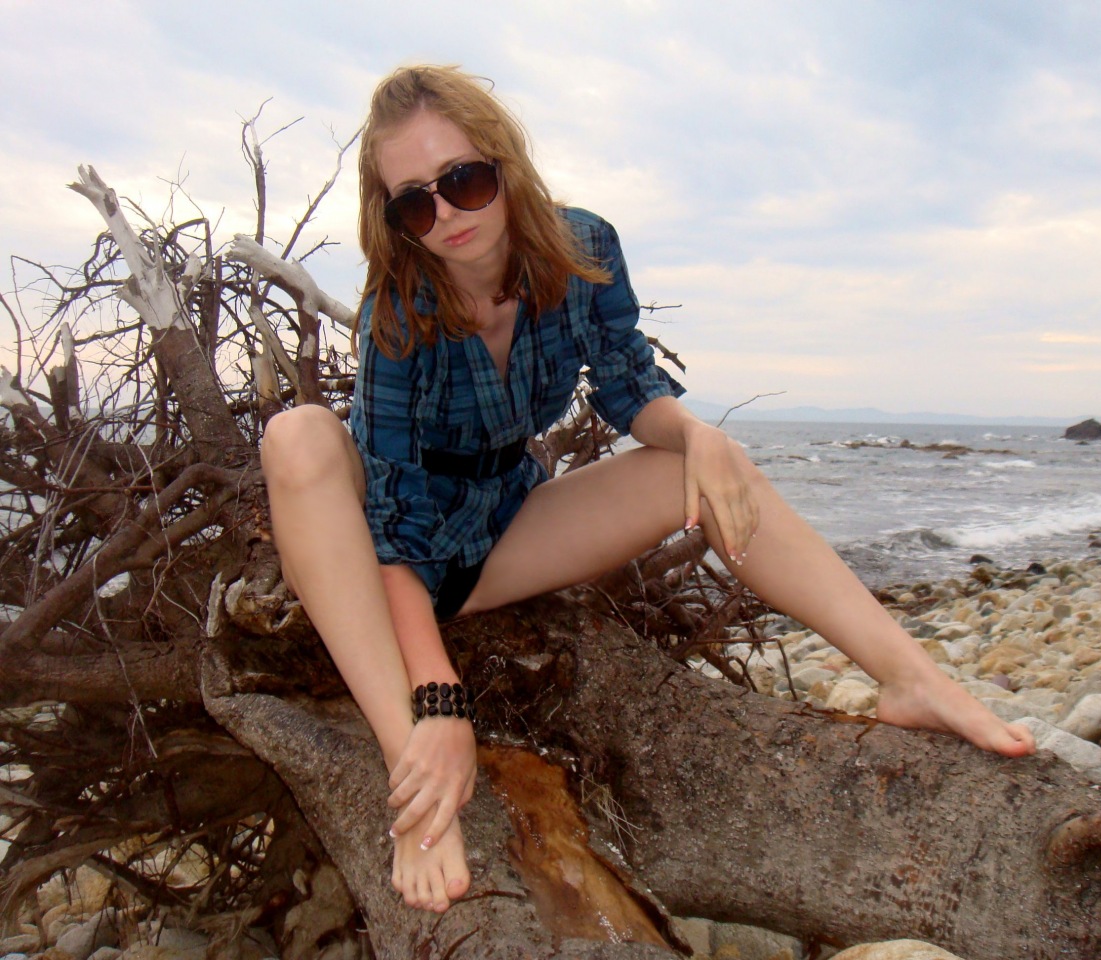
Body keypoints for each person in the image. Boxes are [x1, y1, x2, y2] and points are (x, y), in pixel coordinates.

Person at [260, 64, 1035, 915]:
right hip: (376, 567)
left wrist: (700, 437)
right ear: (392, 218)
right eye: (415, 202)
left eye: (464, 180)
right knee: (298, 436)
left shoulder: (582, 249)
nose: (446, 214)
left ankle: (909, 677)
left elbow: (631, 392)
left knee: (698, 464)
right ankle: (412, 775)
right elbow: (392, 534)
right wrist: (441, 705)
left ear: (504, 162)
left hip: (497, 532)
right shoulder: (399, 313)